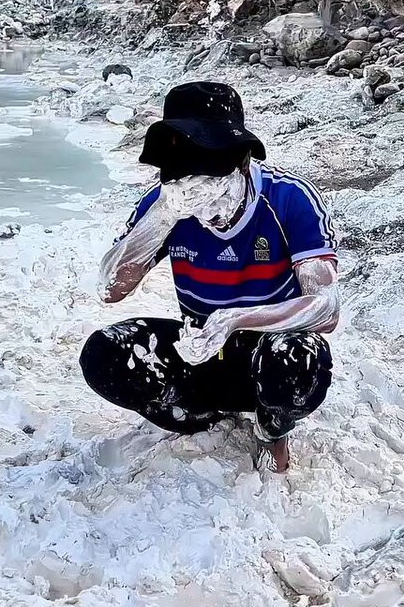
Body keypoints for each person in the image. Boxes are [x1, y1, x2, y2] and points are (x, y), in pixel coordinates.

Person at [79, 81, 339, 472]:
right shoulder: (166, 205)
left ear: (244, 164)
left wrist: (236, 319)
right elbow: (110, 289)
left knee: (300, 360)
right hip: (198, 348)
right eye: (195, 198)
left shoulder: (290, 198)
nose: (210, 215)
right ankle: (195, 416)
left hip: (268, 350)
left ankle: (272, 426)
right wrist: (164, 217)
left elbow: (326, 307)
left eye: (216, 194)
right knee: (103, 355)